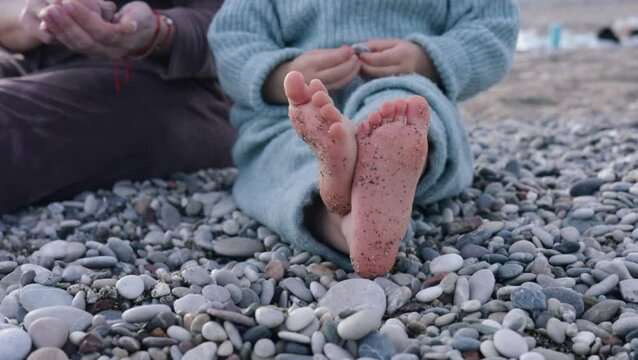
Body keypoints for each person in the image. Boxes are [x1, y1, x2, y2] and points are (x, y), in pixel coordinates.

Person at [209, 0, 519, 278]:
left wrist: (424, 59)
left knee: (406, 113)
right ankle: (354, 223)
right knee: (285, 151)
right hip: (296, 112)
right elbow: (231, 38)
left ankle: (352, 205)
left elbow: (493, 25)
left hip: (395, 88)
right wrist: (282, 75)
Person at [0, 0, 236, 214]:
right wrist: (34, 13)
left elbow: (244, 29)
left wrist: (159, 31)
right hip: (32, 59)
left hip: (173, 80)